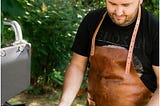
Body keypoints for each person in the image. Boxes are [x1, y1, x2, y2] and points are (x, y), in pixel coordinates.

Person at [58, 0, 159, 106]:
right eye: (112, 4)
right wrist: (64, 102)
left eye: (126, 5)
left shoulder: (154, 29)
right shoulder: (92, 20)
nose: (119, 12)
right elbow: (77, 65)